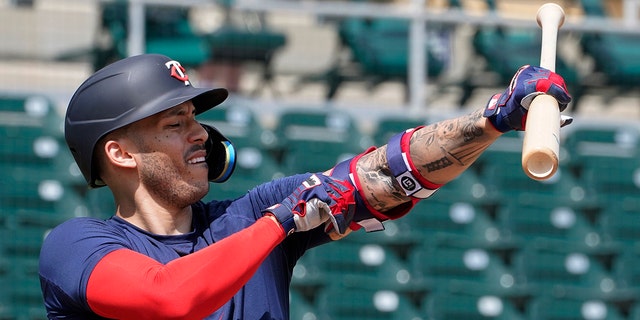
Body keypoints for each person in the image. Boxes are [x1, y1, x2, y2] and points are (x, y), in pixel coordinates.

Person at [39, 53, 571, 319]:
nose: (200, 131)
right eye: (174, 124)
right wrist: (279, 224)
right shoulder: (74, 246)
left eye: (195, 118)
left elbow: (387, 174)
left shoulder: (248, 216)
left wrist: (492, 120)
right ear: (120, 153)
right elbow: (171, 297)